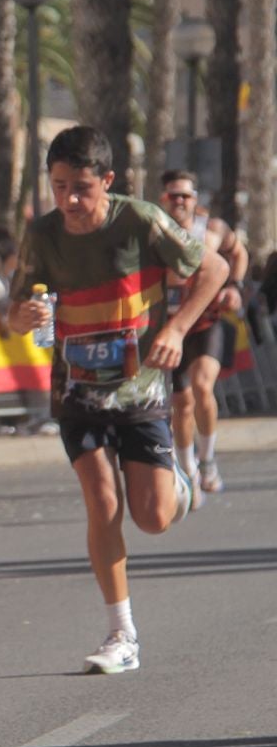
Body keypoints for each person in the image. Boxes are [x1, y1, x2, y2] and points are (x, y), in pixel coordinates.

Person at [8, 130, 225, 673]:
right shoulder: (42, 234)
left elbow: (214, 269)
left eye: (81, 188)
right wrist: (25, 318)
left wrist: (175, 328)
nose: (70, 201)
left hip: (140, 390)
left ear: (107, 181)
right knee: (102, 502)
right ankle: (121, 633)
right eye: (59, 187)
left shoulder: (140, 219)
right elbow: (15, 309)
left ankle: (175, 479)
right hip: (76, 391)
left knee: (151, 517)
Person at [157, 170, 247, 502]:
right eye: (172, 195)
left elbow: (239, 253)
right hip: (171, 326)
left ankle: (207, 460)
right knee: (181, 403)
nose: (179, 201)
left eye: (185, 195)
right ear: (162, 199)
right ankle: (188, 470)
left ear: (196, 199)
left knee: (203, 386)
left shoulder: (212, 230)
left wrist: (234, 287)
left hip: (207, 321)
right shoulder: (153, 232)